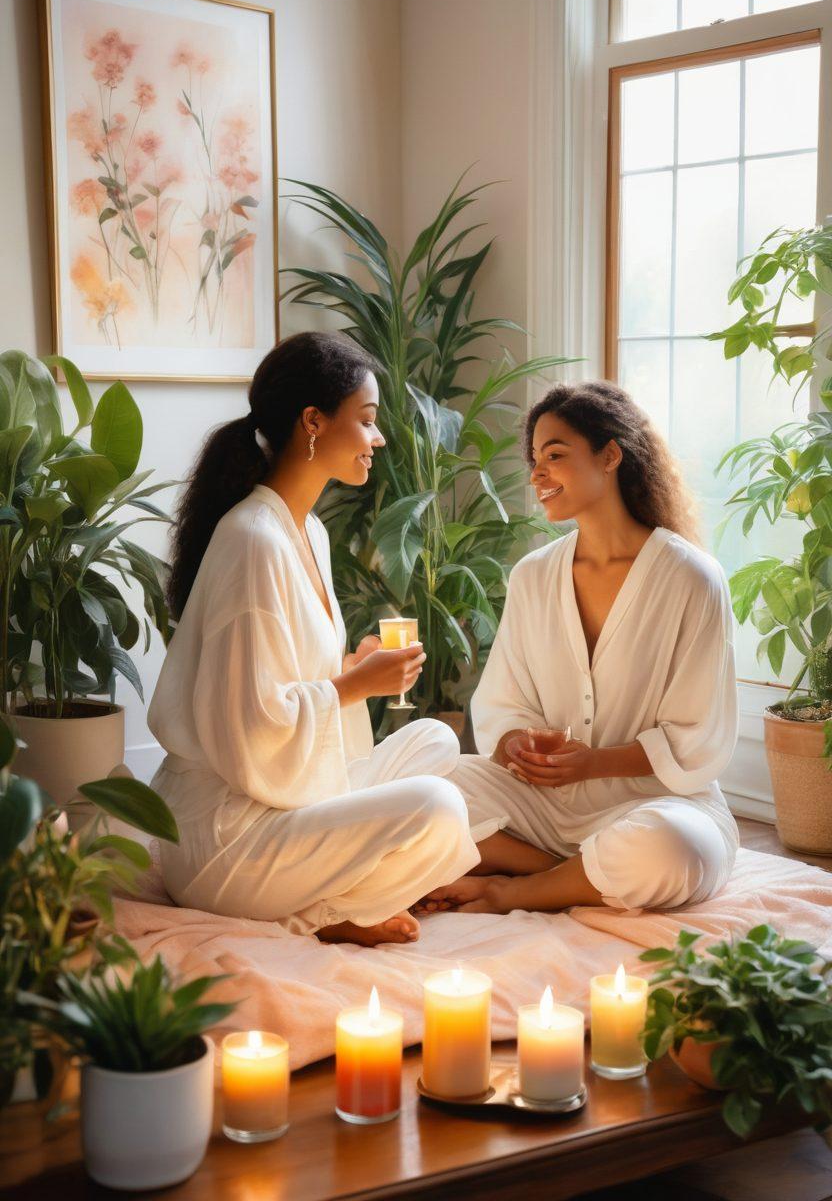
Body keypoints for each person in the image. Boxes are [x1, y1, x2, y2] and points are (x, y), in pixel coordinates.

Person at [148, 331, 482, 946]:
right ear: (313, 422)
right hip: (224, 839)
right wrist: (353, 687)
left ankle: (340, 898)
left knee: (437, 741)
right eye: (367, 421)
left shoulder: (306, 533)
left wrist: (351, 669)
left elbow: (291, 682)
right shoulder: (253, 539)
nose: (378, 439)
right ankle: (327, 917)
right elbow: (248, 730)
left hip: (281, 799)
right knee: (439, 809)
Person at [421, 380, 740, 917]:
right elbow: (504, 704)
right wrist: (518, 743)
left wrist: (594, 764)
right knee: (417, 782)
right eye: (534, 459)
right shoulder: (533, 576)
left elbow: (698, 735)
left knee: (674, 850)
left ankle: (512, 887)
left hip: (655, 804)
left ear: (610, 455)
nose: (537, 473)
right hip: (543, 809)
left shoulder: (691, 578)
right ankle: (570, 874)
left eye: (555, 455)